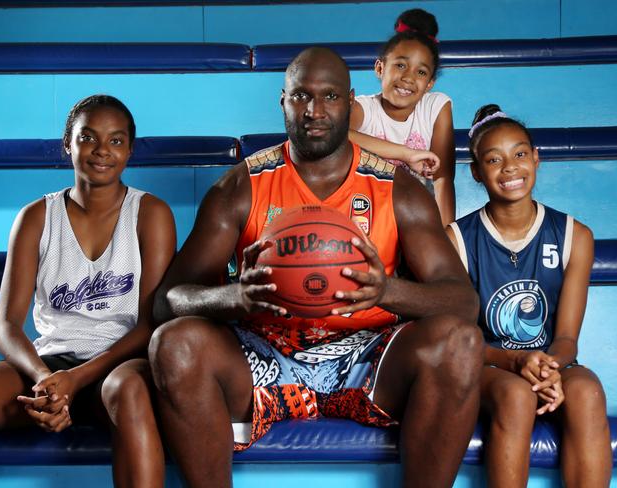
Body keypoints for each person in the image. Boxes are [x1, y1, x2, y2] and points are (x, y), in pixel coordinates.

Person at [150, 47, 482, 488]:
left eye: (329, 97)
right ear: (283, 100)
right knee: (173, 344)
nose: (315, 111)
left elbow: (462, 301)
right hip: (262, 352)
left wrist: (387, 292)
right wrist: (236, 296)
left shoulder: (397, 189)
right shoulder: (241, 186)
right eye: (301, 97)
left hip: (368, 354)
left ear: (350, 101)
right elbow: (167, 301)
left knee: (460, 343)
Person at [0, 95, 176, 487]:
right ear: (68, 142)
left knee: (130, 390)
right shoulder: (37, 217)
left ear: (130, 150)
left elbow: (149, 324)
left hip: (118, 367)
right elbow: (6, 326)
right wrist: (44, 380)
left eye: (116, 141)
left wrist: (77, 379)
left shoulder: (151, 214)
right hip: (50, 369)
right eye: (88, 138)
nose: (102, 150)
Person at [446, 105, 612, 487]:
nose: (510, 168)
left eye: (520, 154)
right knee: (516, 395)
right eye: (493, 159)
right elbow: (460, 342)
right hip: (487, 366)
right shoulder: (456, 240)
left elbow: (568, 338)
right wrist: (518, 361)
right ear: (476, 172)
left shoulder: (575, 235)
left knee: (586, 391)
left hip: (548, 362)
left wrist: (547, 366)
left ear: (536, 158)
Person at [349, 8, 456, 226]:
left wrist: (447, 237)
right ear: (380, 68)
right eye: (400, 65)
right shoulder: (364, 107)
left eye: (421, 72)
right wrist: (407, 154)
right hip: (365, 214)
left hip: (413, 216)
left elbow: (442, 178)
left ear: (430, 84)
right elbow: (337, 135)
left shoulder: (436, 106)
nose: (408, 78)